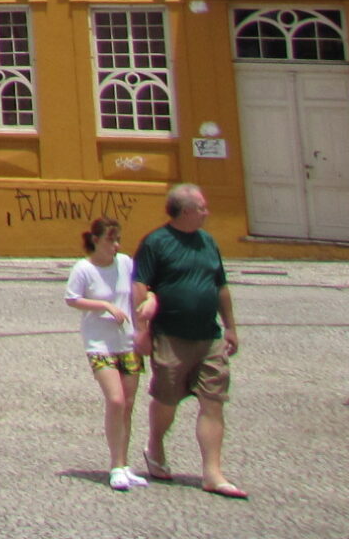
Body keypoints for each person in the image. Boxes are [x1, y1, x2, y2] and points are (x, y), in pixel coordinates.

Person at [131, 183, 245, 499]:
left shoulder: (208, 242)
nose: (208, 212)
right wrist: (143, 330)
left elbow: (219, 285)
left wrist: (231, 327)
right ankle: (155, 445)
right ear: (186, 211)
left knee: (213, 401)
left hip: (209, 336)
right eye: (203, 208)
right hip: (170, 335)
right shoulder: (156, 242)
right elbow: (140, 287)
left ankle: (213, 473)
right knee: (167, 399)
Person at [64, 217, 145, 489]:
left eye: (118, 238)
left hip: (127, 342)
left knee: (129, 404)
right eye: (110, 239)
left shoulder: (125, 263)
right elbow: (72, 299)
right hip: (99, 344)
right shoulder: (84, 269)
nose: (116, 244)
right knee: (116, 400)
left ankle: (123, 464)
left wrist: (148, 309)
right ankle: (114, 466)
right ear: (96, 239)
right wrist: (105, 305)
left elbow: (136, 294)